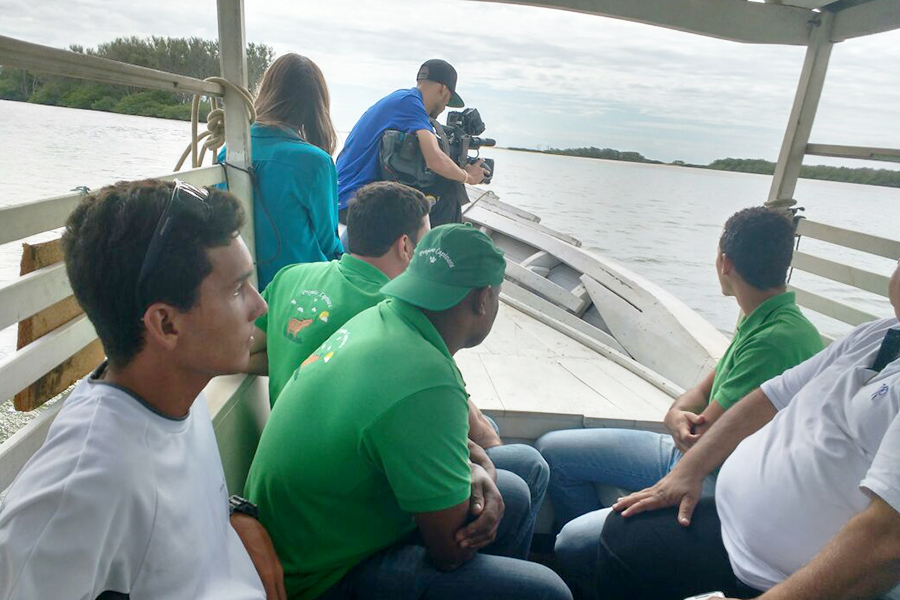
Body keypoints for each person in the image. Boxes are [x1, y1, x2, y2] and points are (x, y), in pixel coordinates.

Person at [244, 224, 571, 600]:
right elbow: (448, 552)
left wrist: (477, 467)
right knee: (548, 592)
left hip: (307, 533)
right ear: (482, 299)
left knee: (518, 480)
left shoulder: (385, 317)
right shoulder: (427, 377)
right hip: (319, 576)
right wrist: (478, 478)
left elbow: (404, 429)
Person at [0, 179, 282, 599]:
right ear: (166, 324)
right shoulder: (83, 488)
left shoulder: (174, 393)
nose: (259, 306)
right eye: (238, 289)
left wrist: (232, 514)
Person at [554, 264, 900, 600]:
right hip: (726, 520)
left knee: (604, 541)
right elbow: (768, 398)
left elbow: (887, 540)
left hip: (776, 577)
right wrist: (686, 472)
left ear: (724, 263)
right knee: (618, 534)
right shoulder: (874, 335)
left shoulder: (778, 337)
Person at [247, 180, 549, 534]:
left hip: (314, 467)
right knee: (516, 471)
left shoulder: (292, 277)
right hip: (347, 493)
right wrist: (477, 459)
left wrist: (301, 354)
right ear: (407, 246)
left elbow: (244, 351)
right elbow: (474, 428)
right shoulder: (396, 313)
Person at [538, 207, 822, 533]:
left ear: (725, 263)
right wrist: (676, 414)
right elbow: (703, 393)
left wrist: (682, 420)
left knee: (572, 539)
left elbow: (702, 437)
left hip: (715, 477)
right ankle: (606, 557)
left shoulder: (776, 340)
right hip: (694, 456)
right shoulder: (761, 315)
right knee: (552, 451)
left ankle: (596, 553)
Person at [221, 53, 342, 289]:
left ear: (267, 91)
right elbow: (329, 245)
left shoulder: (229, 149)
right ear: (317, 104)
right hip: (300, 290)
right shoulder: (316, 163)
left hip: (242, 284)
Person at [335, 59, 488, 227]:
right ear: (443, 90)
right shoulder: (411, 104)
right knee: (447, 187)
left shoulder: (400, 99)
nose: (445, 108)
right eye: (448, 100)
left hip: (341, 198)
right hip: (354, 203)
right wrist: (468, 176)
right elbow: (435, 160)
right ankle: (438, 251)